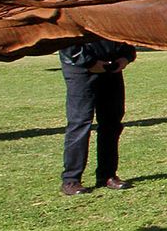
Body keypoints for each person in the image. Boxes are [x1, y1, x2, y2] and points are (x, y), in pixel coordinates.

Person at [59, 38, 137, 196]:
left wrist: (126, 56)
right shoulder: (73, 12)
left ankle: (107, 175)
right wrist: (87, 62)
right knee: (80, 123)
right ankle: (71, 180)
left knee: (112, 122)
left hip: (111, 68)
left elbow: (122, 33)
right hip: (81, 70)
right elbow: (66, 40)